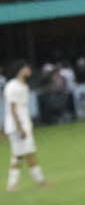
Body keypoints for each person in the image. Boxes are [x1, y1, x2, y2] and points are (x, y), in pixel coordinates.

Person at [5, 62, 48, 191]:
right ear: (20, 70)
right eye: (26, 68)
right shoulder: (12, 86)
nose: (29, 70)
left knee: (20, 155)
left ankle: (13, 184)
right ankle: (40, 181)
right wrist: (20, 127)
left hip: (23, 124)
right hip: (17, 126)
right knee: (26, 154)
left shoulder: (23, 85)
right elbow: (13, 108)